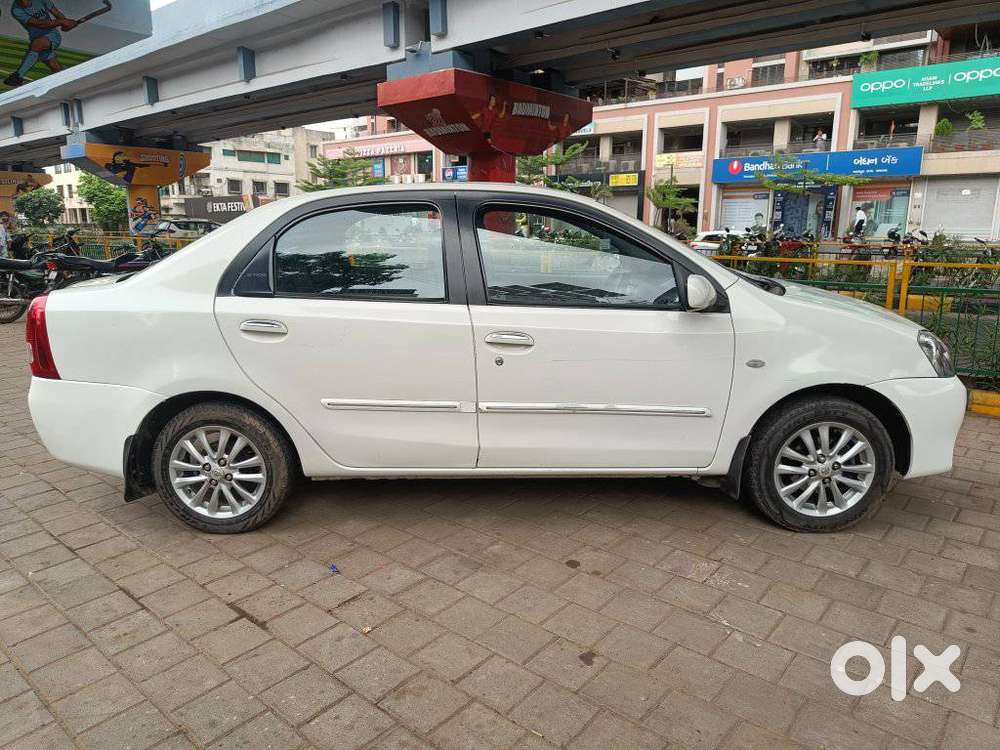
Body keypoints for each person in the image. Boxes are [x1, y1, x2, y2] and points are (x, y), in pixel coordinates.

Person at [4, 0, 81, 88]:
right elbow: (40, 24)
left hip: (52, 36)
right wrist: (62, 22)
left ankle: (18, 76)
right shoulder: (16, 10)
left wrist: (66, 23)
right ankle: (73, 83)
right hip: (36, 39)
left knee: (37, 44)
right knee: (56, 68)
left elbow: (57, 13)